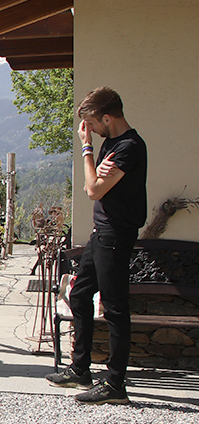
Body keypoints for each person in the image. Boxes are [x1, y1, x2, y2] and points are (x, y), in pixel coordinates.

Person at [46, 87, 147, 405]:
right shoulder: (113, 144)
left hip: (115, 235)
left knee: (116, 308)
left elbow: (92, 190)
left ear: (107, 117)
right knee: (78, 293)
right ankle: (80, 369)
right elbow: (97, 185)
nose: (88, 130)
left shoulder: (129, 146)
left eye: (91, 123)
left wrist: (86, 148)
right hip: (100, 233)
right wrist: (96, 167)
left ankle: (116, 384)